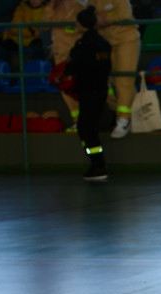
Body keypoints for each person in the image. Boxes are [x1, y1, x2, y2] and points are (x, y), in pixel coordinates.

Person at [65, 6, 111, 181]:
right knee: (89, 128)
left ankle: (98, 165)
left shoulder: (83, 45)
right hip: (101, 89)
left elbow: (71, 66)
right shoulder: (104, 44)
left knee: (86, 130)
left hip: (87, 90)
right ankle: (97, 164)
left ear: (82, 24)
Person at [88, 0, 141, 139]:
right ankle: (129, 113)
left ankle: (123, 119)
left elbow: (125, 14)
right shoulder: (91, 1)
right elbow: (88, 16)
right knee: (105, 79)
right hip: (105, 43)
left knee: (124, 79)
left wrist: (104, 19)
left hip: (126, 40)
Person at [44, 0, 84, 131]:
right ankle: (77, 121)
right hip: (59, 56)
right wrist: (50, 7)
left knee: (80, 90)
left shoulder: (78, 6)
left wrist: (69, 9)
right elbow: (44, 26)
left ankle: (120, 115)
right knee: (66, 91)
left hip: (74, 57)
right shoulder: (52, 7)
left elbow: (77, 26)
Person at [0, 0, 48, 68]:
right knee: (3, 48)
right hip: (17, 37)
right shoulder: (21, 8)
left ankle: (36, 74)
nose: (34, 1)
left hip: (35, 39)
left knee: (41, 49)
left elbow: (46, 28)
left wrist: (38, 32)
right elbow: (15, 27)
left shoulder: (47, 9)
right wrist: (32, 32)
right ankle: (0, 74)